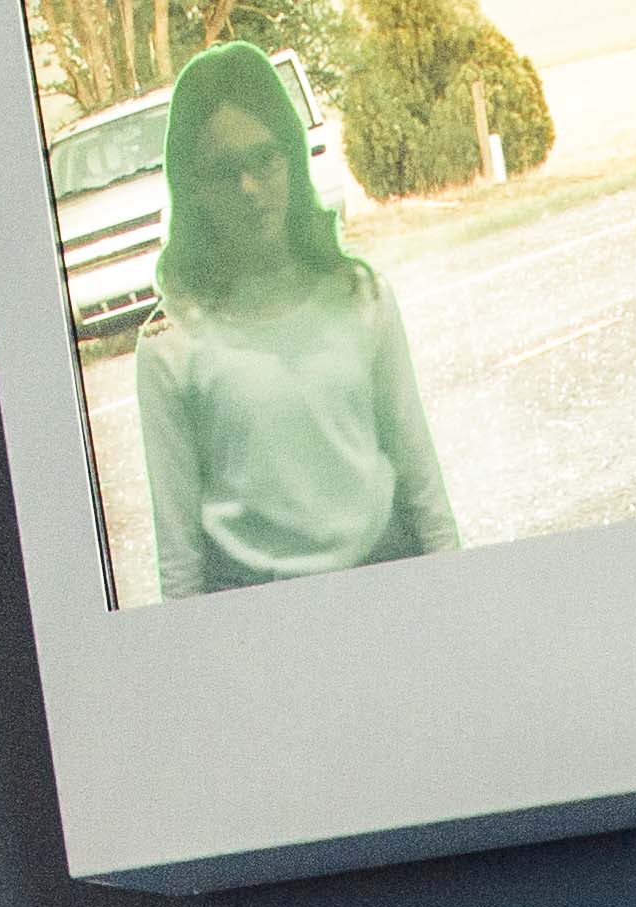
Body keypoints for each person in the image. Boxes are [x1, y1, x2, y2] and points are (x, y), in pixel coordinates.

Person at [133, 40, 460, 599]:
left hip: (388, 577)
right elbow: (179, 552)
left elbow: (421, 478)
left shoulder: (359, 296)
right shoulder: (170, 343)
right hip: (256, 608)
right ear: (192, 187)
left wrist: (458, 592)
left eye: (265, 159)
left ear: (291, 153)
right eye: (224, 171)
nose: (250, 188)